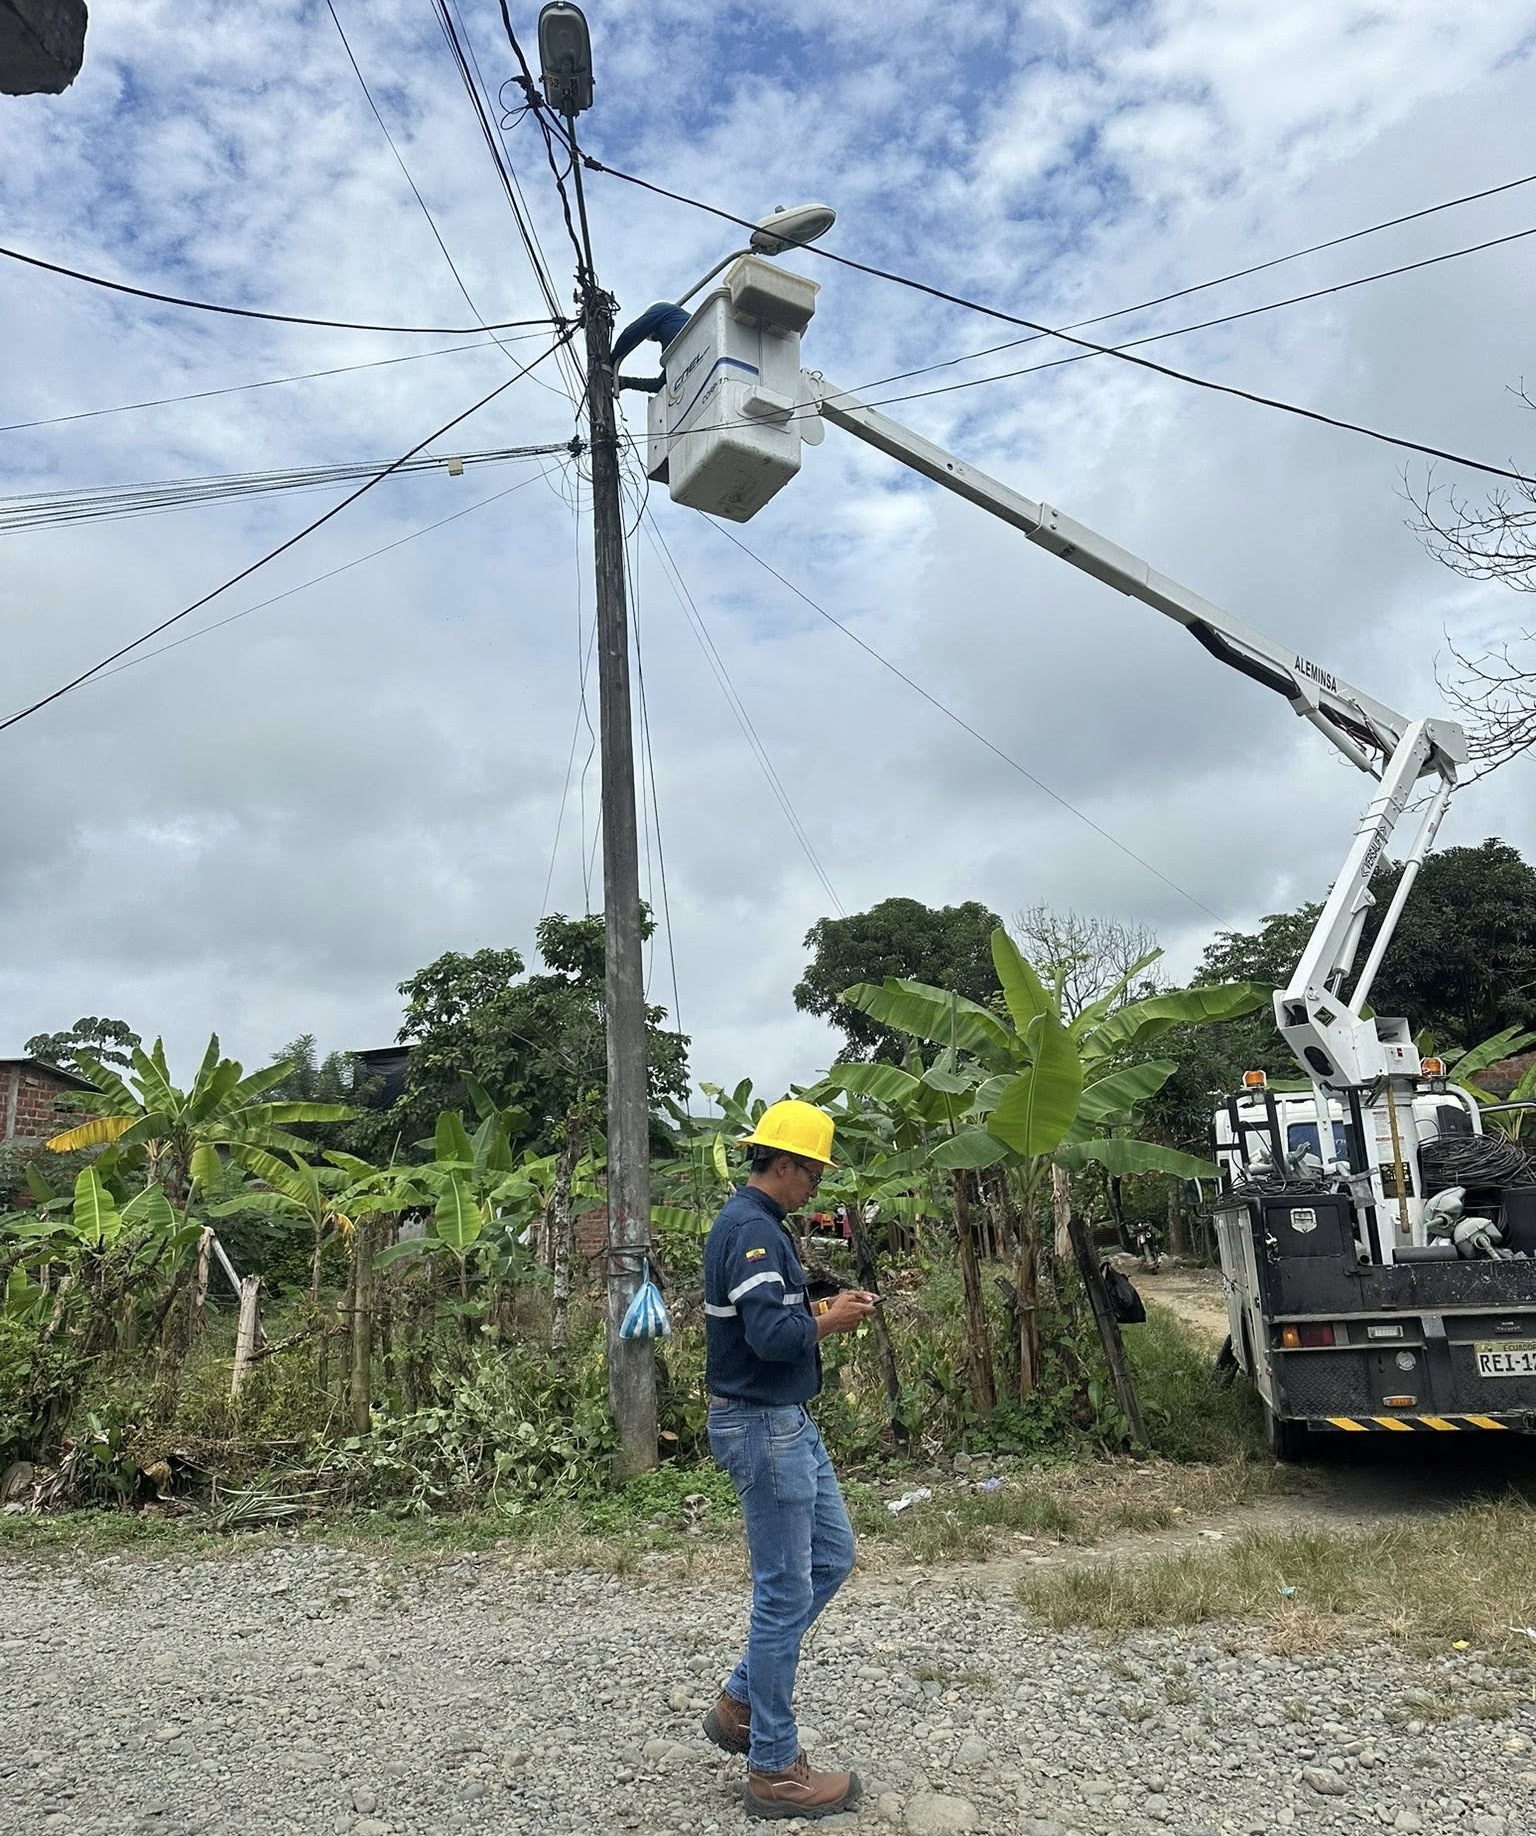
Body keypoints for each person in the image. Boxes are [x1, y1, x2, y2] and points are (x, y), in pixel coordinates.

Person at [698, 1098, 876, 1820]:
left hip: (784, 1419)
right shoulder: (751, 1230)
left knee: (832, 1557)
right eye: (815, 1175)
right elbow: (772, 1338)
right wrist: (830, 1320)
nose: (816, 1188)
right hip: (761, 1424)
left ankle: (741, 1702)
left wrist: (822, 1309)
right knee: (781, 1594)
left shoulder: (760, 1225)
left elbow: (769, 1319)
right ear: (787, 1165)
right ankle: (774, 1768)